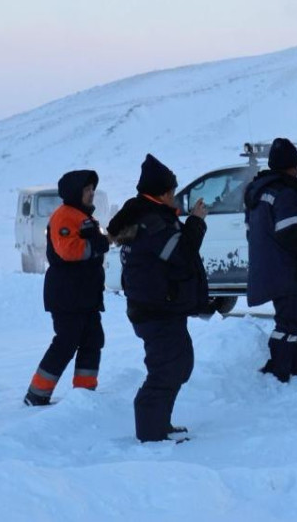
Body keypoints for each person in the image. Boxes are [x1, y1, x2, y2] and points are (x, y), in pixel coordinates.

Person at [107, 154, 209, 443]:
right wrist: (197, 223)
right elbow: (182, 255)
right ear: (163, 193)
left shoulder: (149, 216)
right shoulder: (151, 222)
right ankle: (151, 433)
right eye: (173, 192)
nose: (175, 197)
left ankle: (160, 424)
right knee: (166, 369)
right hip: (156, 309)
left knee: (179, 364)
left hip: (161, 306)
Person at [244, 138, 297, 383]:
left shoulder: (259, 192)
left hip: (273, 270)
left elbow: (252, 232)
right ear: (293, 166)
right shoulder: (284, 192)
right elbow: (290, 231)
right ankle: (279, 372)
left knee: (293, 320)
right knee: (292, 323)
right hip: (289, 271)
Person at [24, 170, 111, 406]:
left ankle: (84, 393)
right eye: (87, 189)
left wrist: (102, 241)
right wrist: (100, 243)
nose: (91, 193)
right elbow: (69, 251)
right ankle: (37, 394)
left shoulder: (84, 216)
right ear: (75, 192)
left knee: (92, 340)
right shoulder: (65, 216)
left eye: (93, 189)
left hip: (85, 294)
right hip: (68, 294)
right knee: (67, 342)